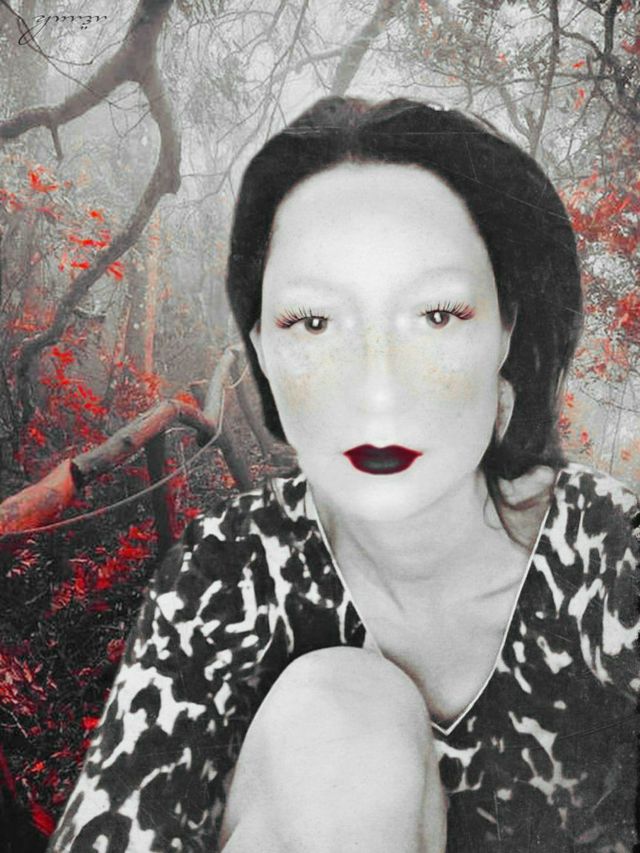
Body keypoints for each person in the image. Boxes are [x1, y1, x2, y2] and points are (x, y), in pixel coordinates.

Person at [48, 97, 639, 853]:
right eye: (314, 322)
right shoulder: (229, 566)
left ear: (505, 329)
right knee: (344, 718)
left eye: (437, 314)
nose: (377, 388)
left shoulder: (610, 554)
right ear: (263, 350)